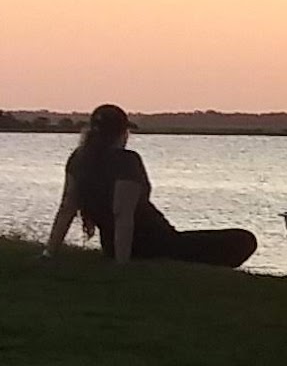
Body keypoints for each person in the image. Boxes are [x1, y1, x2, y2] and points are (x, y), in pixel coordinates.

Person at [45, 107, 253, 266]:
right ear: (122, 133)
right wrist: (122, 262)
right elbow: (123, 215)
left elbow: (67, 208)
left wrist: (50, 252)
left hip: (114, 245)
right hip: (155, 243)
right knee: (243, 239)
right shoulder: (126, 161)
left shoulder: (79, 159)